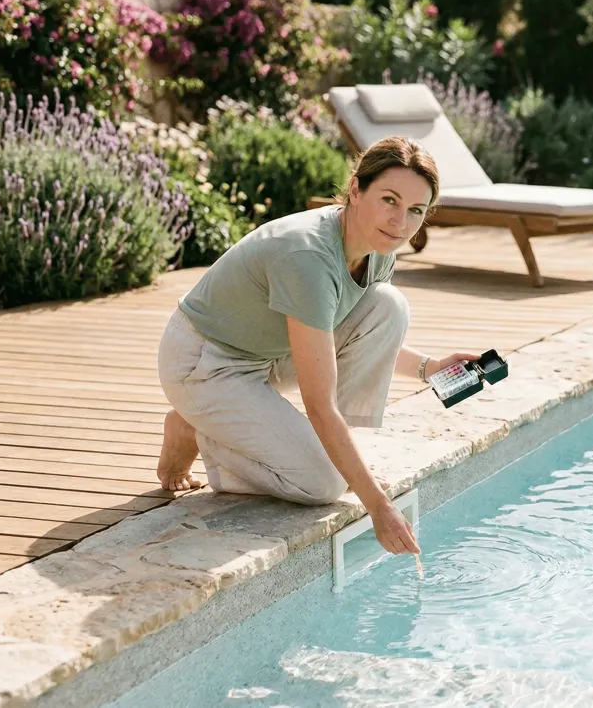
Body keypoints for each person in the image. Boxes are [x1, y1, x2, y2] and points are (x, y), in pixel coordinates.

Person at [154, 135, 479, 557]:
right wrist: (377, 506)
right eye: (389, 200)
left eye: (416, 210)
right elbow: (320, 405)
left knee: (388, 306)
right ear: (356, 190)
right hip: (204, 362)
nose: (400, 222)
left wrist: (430, 368)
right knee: (322, 484)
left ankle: (332, 455)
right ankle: (199, 426)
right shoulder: (308, 257)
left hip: (267, 352)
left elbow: (346, 335)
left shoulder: (377, 247)